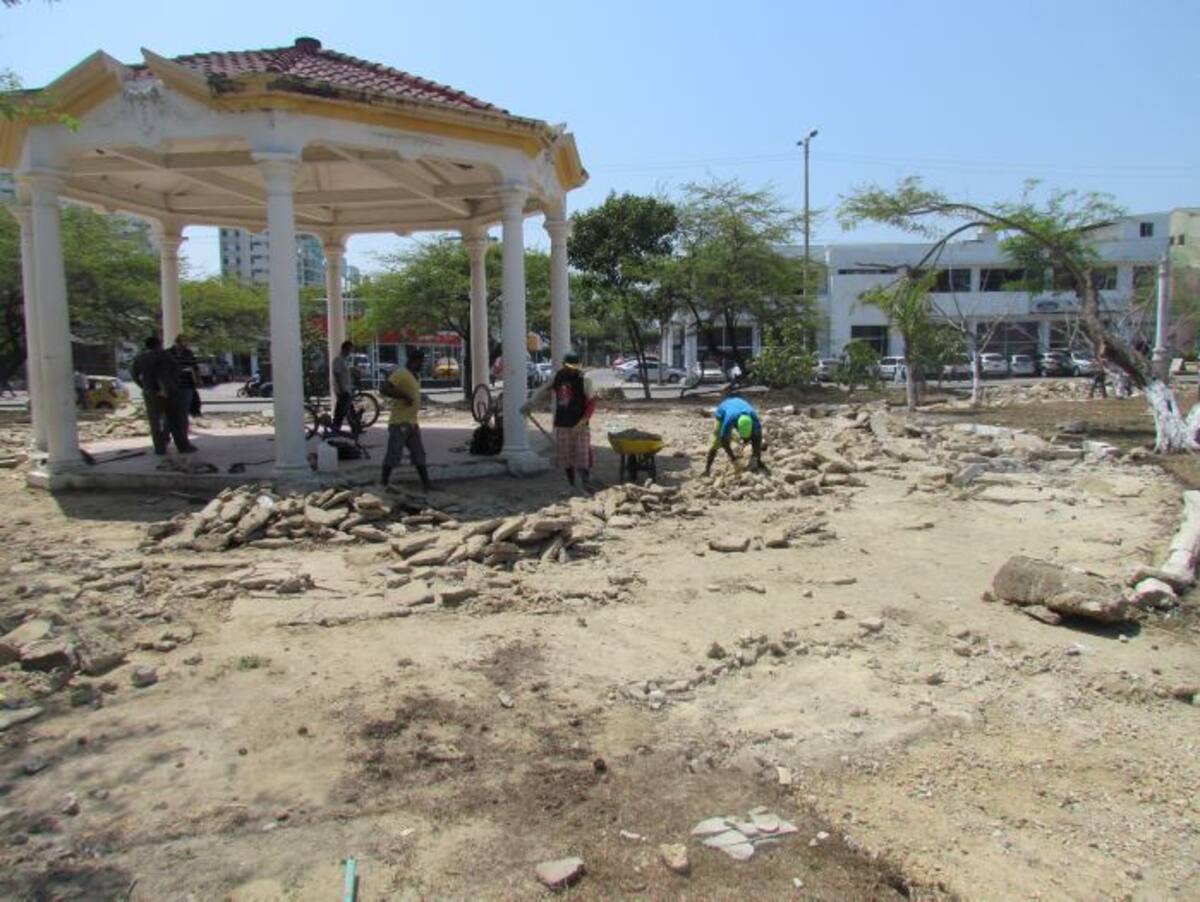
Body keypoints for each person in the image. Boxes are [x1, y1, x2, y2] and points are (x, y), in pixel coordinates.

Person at [522, 351, 595, 492]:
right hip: (562, 423)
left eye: (574, 367)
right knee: (565, 457)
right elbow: (543, 392)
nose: (571, 370)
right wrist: (529, 405)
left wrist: (581, 423)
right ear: (563, 365)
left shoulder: (585, 381)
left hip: (580, 424)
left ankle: (586, 483)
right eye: (568, 367)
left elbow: (591, 404)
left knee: (582, 455)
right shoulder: (557, 378)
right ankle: (571, 485)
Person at [380, 347, 433, 492]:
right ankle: (383, 482)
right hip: (399, 422)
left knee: (419, 454)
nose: (422, 365)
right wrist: (403, 396)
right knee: (394, 453)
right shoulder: (401, 373)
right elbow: (384, 389)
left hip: (412, 422)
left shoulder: (415, 375)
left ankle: (426, 484)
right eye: (421, 362)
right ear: (414, 361)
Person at [131, 335, 190, 454]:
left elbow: (134, 374)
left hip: (151, 393)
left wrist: (144, 386)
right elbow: (177, 371)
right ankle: (182, 447)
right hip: (170, 391)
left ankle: (159, 448)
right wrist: (173, 384)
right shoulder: (166, 355)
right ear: (158, 344)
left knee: (155, 422)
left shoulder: (140, 358)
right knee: (174, 419)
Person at [704, 394, 766, 475]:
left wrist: (757, 458)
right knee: (717, 441)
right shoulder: (729, 419)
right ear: (736, 425)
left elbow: (757, 440)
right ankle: (707, 470)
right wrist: (733, 458)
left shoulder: (754, 418)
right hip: (724, 410)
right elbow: (724, 441)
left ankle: (758, 460)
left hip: (740, 404)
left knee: (756, 437)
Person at [169, 334, 200, 449]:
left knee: (183, 415)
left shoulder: (189, 353)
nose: (184, 345)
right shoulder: (168, 353)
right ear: (177, 342)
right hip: (172, 388)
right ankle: (167, 439)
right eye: (182, 342)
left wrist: (196, 379)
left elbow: (195, 368)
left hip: (186, 387)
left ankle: (183, 441)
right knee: (170, 416)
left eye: (186, 342)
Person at [330, 340, 358, 434]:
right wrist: (342, 389)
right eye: (349, 350)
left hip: (347, 389)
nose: (350, 352)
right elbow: (337, 374)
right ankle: (336, 428)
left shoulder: (344, 360)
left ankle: (356, 428)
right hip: (343, 390)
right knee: (340, 411)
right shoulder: (338, 360)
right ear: (344, 349)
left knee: (350, 409)